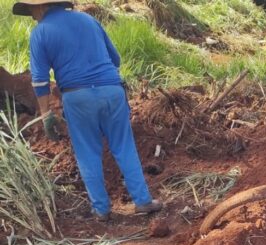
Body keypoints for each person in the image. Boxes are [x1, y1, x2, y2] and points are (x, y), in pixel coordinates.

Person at [13, 0, 162, 221]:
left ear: (41, 7)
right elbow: (116, 59)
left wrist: (46, 114)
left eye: (32, 10)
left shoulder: (41, 32)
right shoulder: (89, 20)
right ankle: (143, 201)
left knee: (88, 152)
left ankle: (101, 210)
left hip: (78, 97)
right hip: (113, 91)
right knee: (124, 146)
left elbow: (39, 80)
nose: (32, 16)